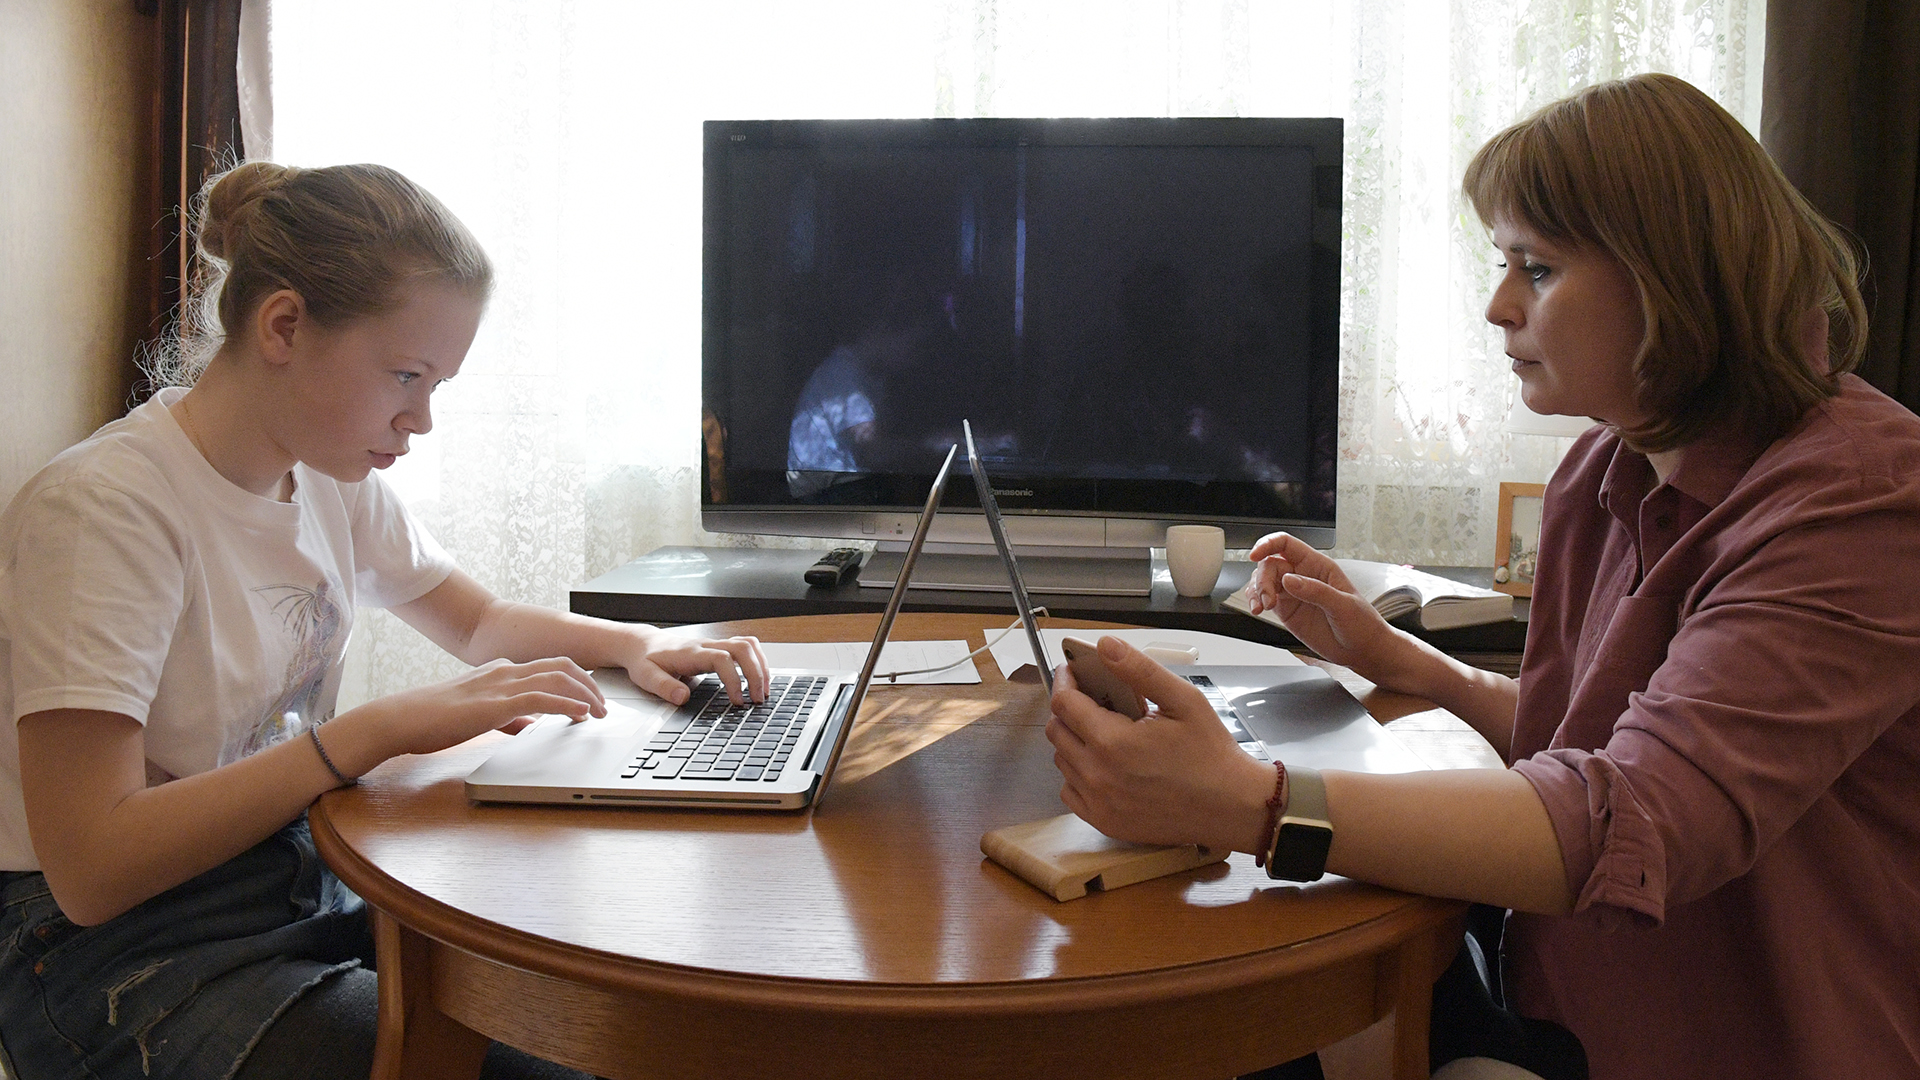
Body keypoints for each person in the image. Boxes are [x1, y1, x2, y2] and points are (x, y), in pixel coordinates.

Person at [1046, 72, 1920, 1080]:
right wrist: (1411, 664)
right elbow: (1595, 741)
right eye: (1503, 263)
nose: (1499, 305)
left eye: (1537, 270)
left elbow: (1626, 817)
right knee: (1204, 1009)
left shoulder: (1865, 502)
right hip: (1543, 983)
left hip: (1710, 1044)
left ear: (1679, 276)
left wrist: (1250, 802)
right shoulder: (1611, 462)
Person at [0, 161, 771, 1080]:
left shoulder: (322, 471)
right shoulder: (105, 511)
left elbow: (478, 622)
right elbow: (90, 869)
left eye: (437, 382)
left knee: (628, 1015)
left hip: (296, 883)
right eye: (406, 373)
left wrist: (643, 645)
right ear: (282, 325)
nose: (422, 419)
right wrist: (372, 734)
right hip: (116, 956)